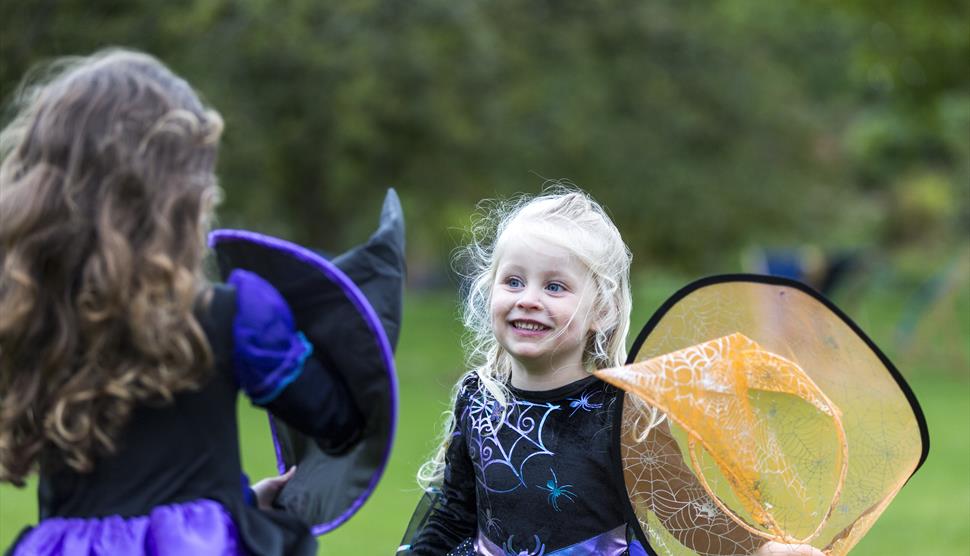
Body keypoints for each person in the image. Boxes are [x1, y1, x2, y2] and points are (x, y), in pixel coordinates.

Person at [0, 49, 365, 555]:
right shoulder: (230, 317)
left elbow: (127, 495)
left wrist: (239, 501)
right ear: (176, 197)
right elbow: (338, 421)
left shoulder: (34, 325)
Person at [400, 187, 825, 555]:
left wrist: (757, 549)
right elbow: (454, 511)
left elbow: (685, 511)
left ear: (600, 311)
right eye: (513, 281)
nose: (528, 298)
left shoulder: (620, 413)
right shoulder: (478, 397)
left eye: (554, 287)